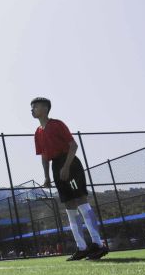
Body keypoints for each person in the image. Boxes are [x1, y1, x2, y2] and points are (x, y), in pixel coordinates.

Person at [32, 97, 109, 261]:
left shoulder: (57, 124)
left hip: (70, 163)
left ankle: (98, 244)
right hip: (56, 166)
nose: (32, 109)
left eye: (35, 106)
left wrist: (66, 166)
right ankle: (82, 247)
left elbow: (73, 145)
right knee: (69, 207)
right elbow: (44, 156)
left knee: (81, 201)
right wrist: (46, 176)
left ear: (45, 108)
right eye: (32, 107)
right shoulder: (37, 133)